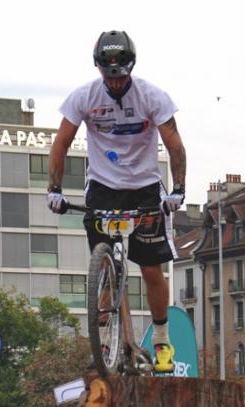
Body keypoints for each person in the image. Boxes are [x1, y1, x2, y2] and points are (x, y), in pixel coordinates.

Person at [47, 30, 186, 374]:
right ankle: (107, 344)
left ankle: (162, 342)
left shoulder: (152, 97)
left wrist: (178, 189)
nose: (116, 84)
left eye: (121, 77)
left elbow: (175, 145)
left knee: (151, 267)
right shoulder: (83, 97)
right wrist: (54, 188)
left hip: (144, 187)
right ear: (98, 69)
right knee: (106, 268)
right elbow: (61, 143)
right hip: (103, 187)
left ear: (130, 69)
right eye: (109, 77)